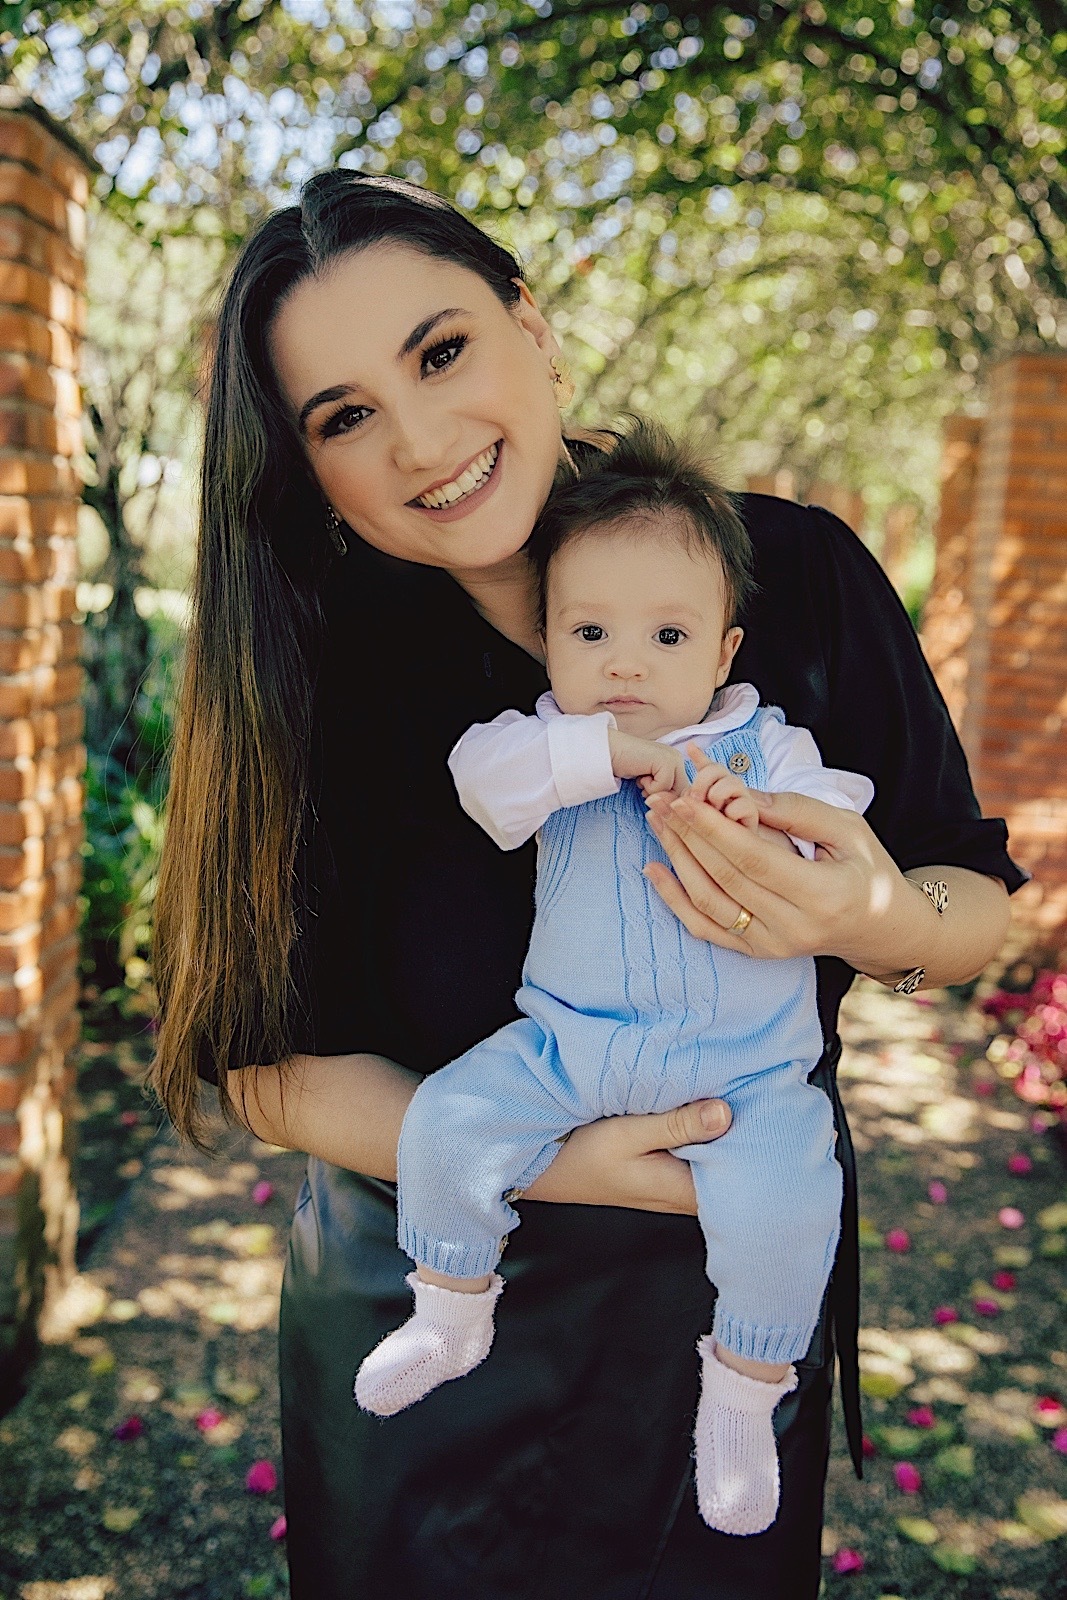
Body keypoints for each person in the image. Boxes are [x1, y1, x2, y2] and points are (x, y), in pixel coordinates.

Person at [151, 169, 1025, 1600]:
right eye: (345, 416)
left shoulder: (784, 573)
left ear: (532, 327)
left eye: (440, 351)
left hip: (714, 1325)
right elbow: (263, 1073)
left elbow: (977, 904)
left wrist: (871, 918)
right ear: (304, 463)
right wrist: (550, 1160)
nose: (423, 439)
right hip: (426, 1314)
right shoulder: (311, 671)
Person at [354, 421, 877, 1538]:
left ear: (723, 652)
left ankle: (740, 1396)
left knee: (792, 1207)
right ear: (546, 642)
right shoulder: (543, 743)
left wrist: (770, 820)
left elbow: (842, 822)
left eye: (665, 633)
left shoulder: (764, 747)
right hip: (568, 1046)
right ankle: (450, 1304)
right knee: (446, 1119)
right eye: (590, 631)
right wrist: (608, 755)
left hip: (746, 1072)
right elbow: (481, 784)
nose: (625, 663)